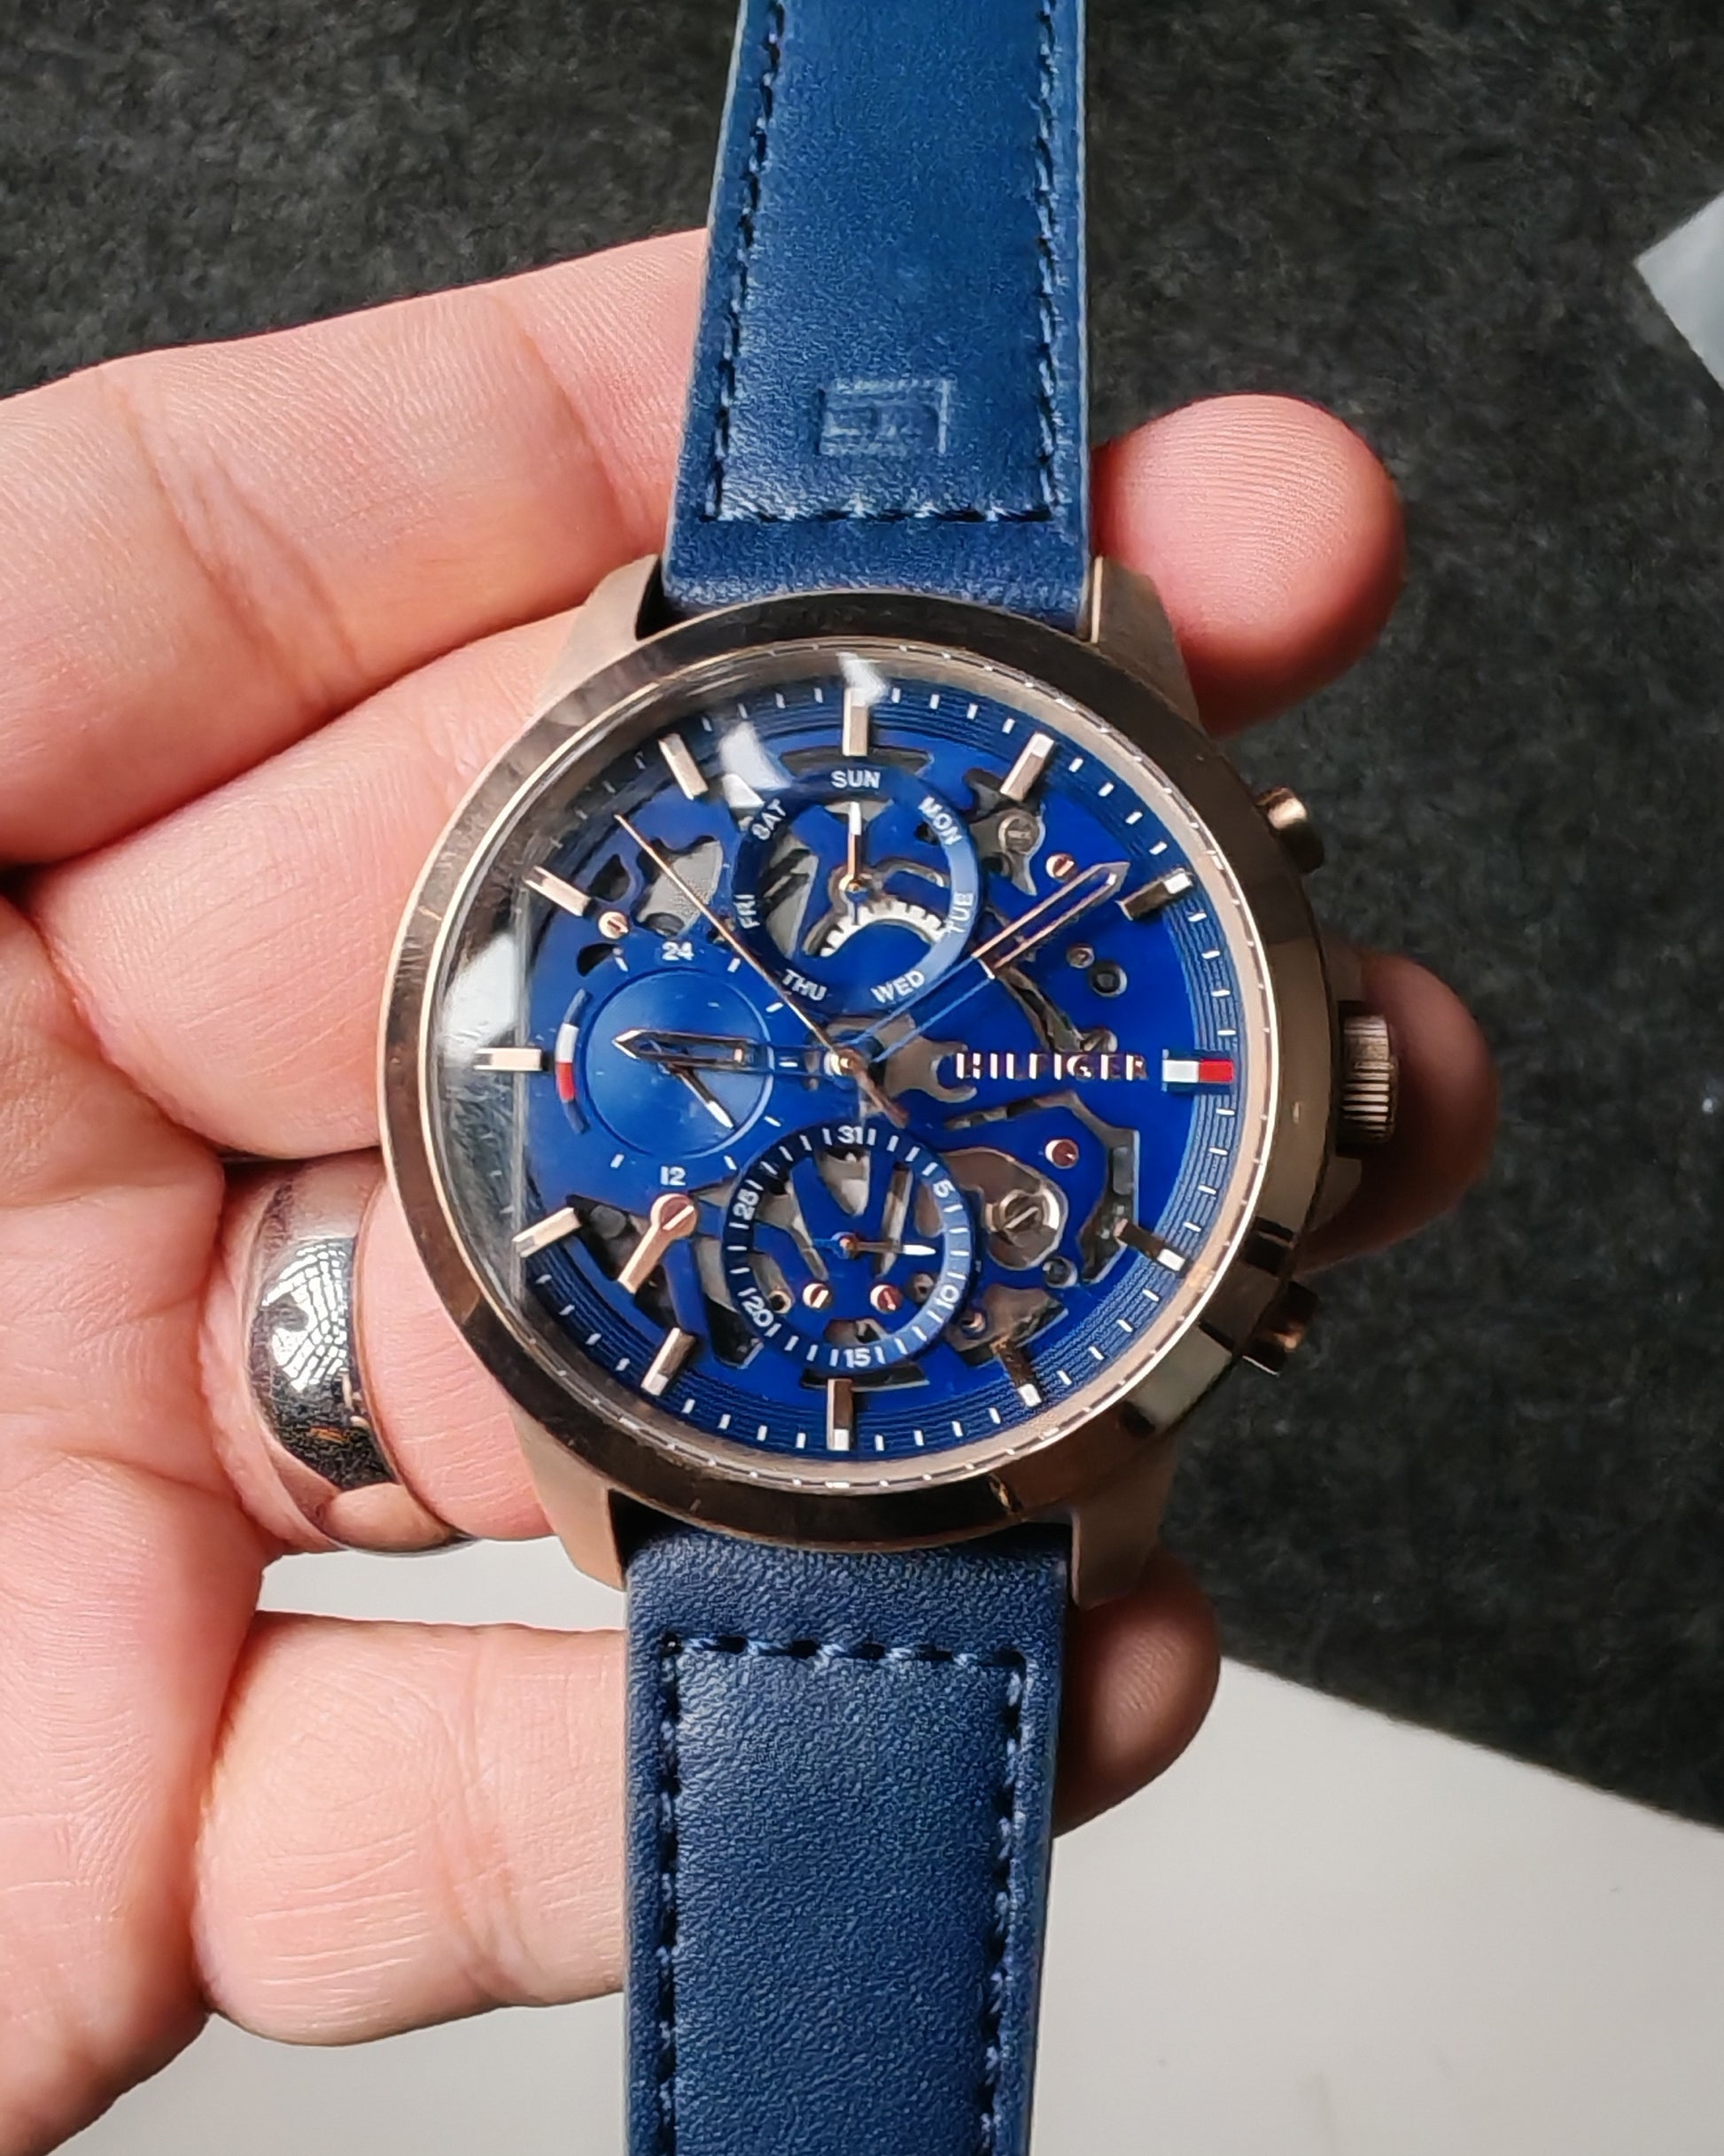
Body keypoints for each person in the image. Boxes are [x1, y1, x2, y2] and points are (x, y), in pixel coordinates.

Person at [0, 228, 1494, 2152]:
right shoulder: (655, 745)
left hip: (831, 1360)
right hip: (785, 1378)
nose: (860, 1067)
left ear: (1320, 1095)